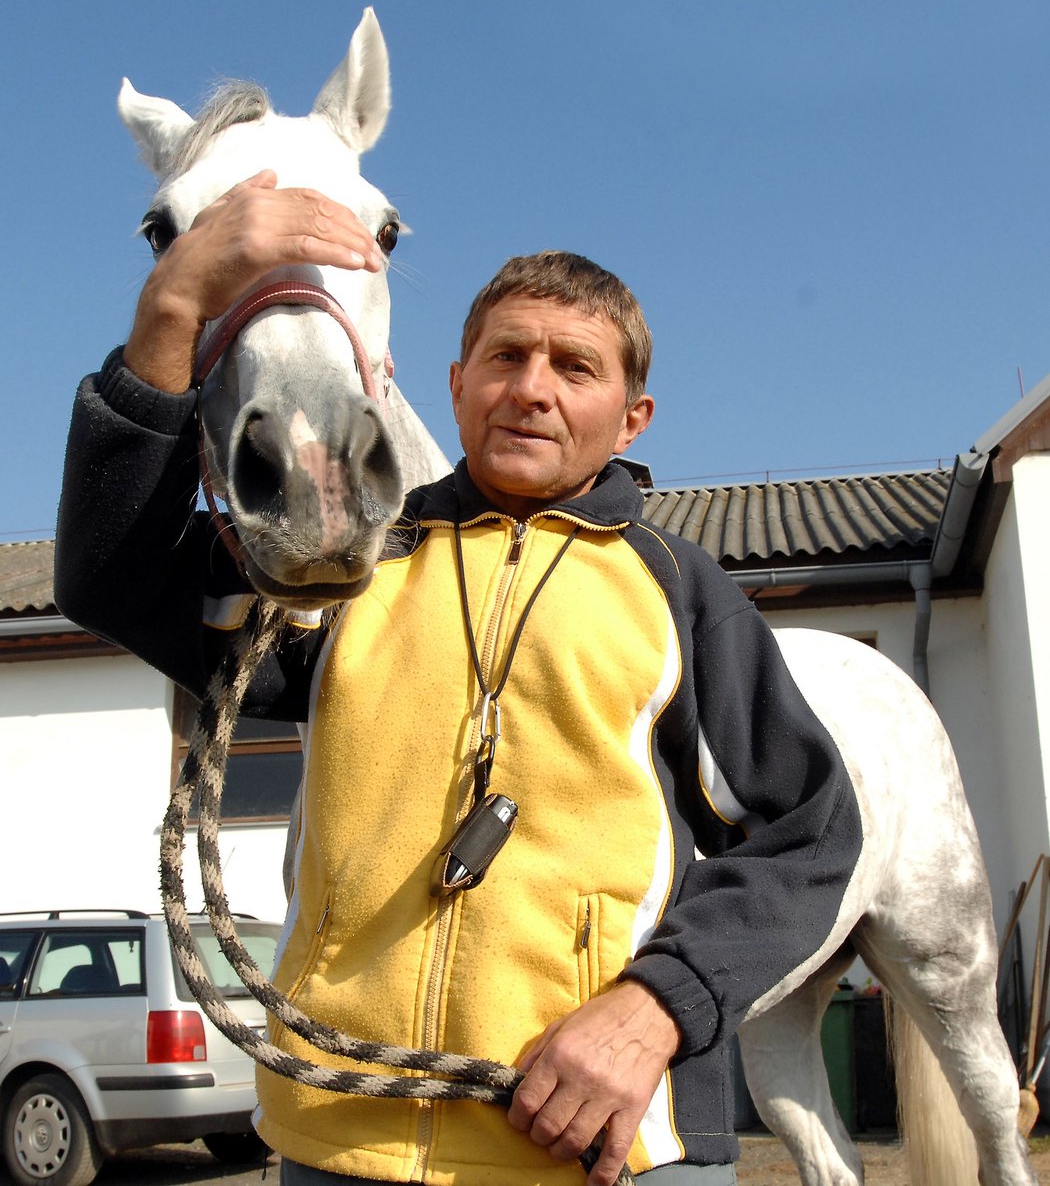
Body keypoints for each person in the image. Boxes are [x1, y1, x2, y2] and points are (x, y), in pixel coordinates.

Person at [55, 174, 863, 1186]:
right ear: (453, 384)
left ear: (633, 419)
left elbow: (809, 832)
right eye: (506, 358)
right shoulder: (341, 564)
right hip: (338, 1140)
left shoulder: (681, 593)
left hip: (605, 1150)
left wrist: (659, 1005)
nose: (532, 388)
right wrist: (174, 304)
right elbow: (114, 578)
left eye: (576, 367)